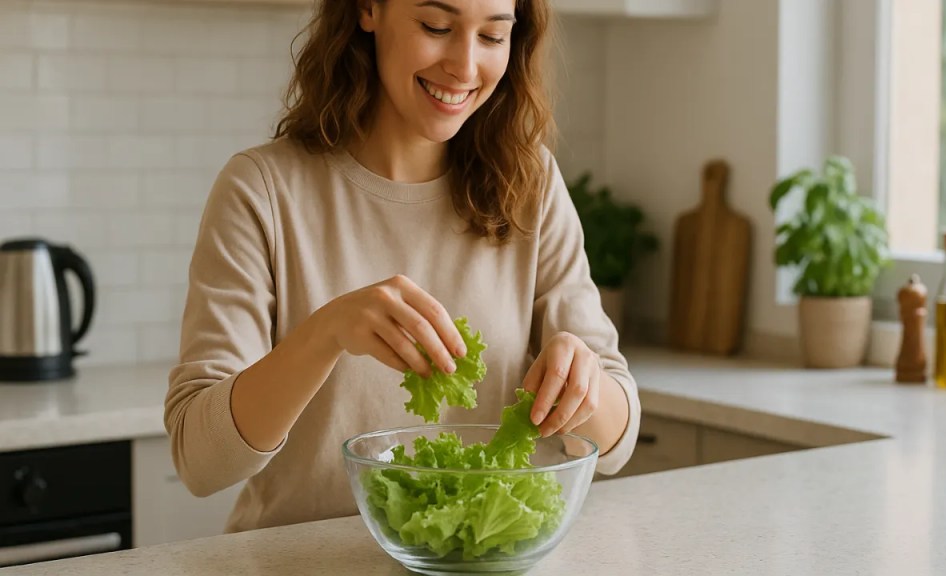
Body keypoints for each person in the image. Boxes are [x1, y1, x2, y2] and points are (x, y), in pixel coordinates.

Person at [165, 0, 641, 533]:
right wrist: (325, 334)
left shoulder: (529, 186)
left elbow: (616, 443)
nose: (464, 67)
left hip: (469, 563)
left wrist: (583, 382)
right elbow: (200, 462)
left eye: (492, 37)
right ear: (368, 9)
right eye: (436, 26)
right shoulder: (262, 191)